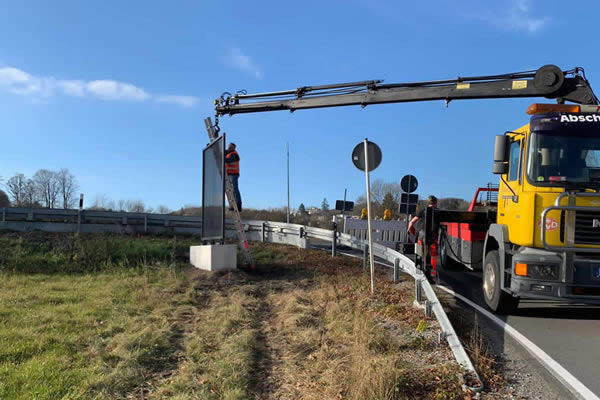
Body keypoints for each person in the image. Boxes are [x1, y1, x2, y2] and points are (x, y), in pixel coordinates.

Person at [225, 142, 242, 212]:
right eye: (229, 146)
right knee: (231, 190)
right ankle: (233, 205)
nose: (229, 148)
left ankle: (238, 205)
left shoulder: (234, 155)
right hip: (229, 174)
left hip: (234, 174)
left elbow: (228, 160)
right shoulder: (228, 153)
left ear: (234, 148)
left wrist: (221, 156)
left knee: (235, 189)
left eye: (231, 147)